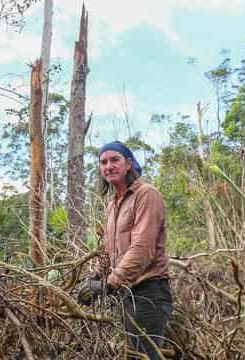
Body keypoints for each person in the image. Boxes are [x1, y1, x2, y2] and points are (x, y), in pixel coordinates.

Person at [78, 141, 173, 360]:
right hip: (127, 294)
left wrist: (110, 283)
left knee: (142, 356)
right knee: (133, 354)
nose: (108, 166)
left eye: (114, 160)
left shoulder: (146, 195)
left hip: (149, 292)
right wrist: (95, 277)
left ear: (128, 163)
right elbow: (111, 250)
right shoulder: (113, 205)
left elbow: (142, 247)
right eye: (103, 162)